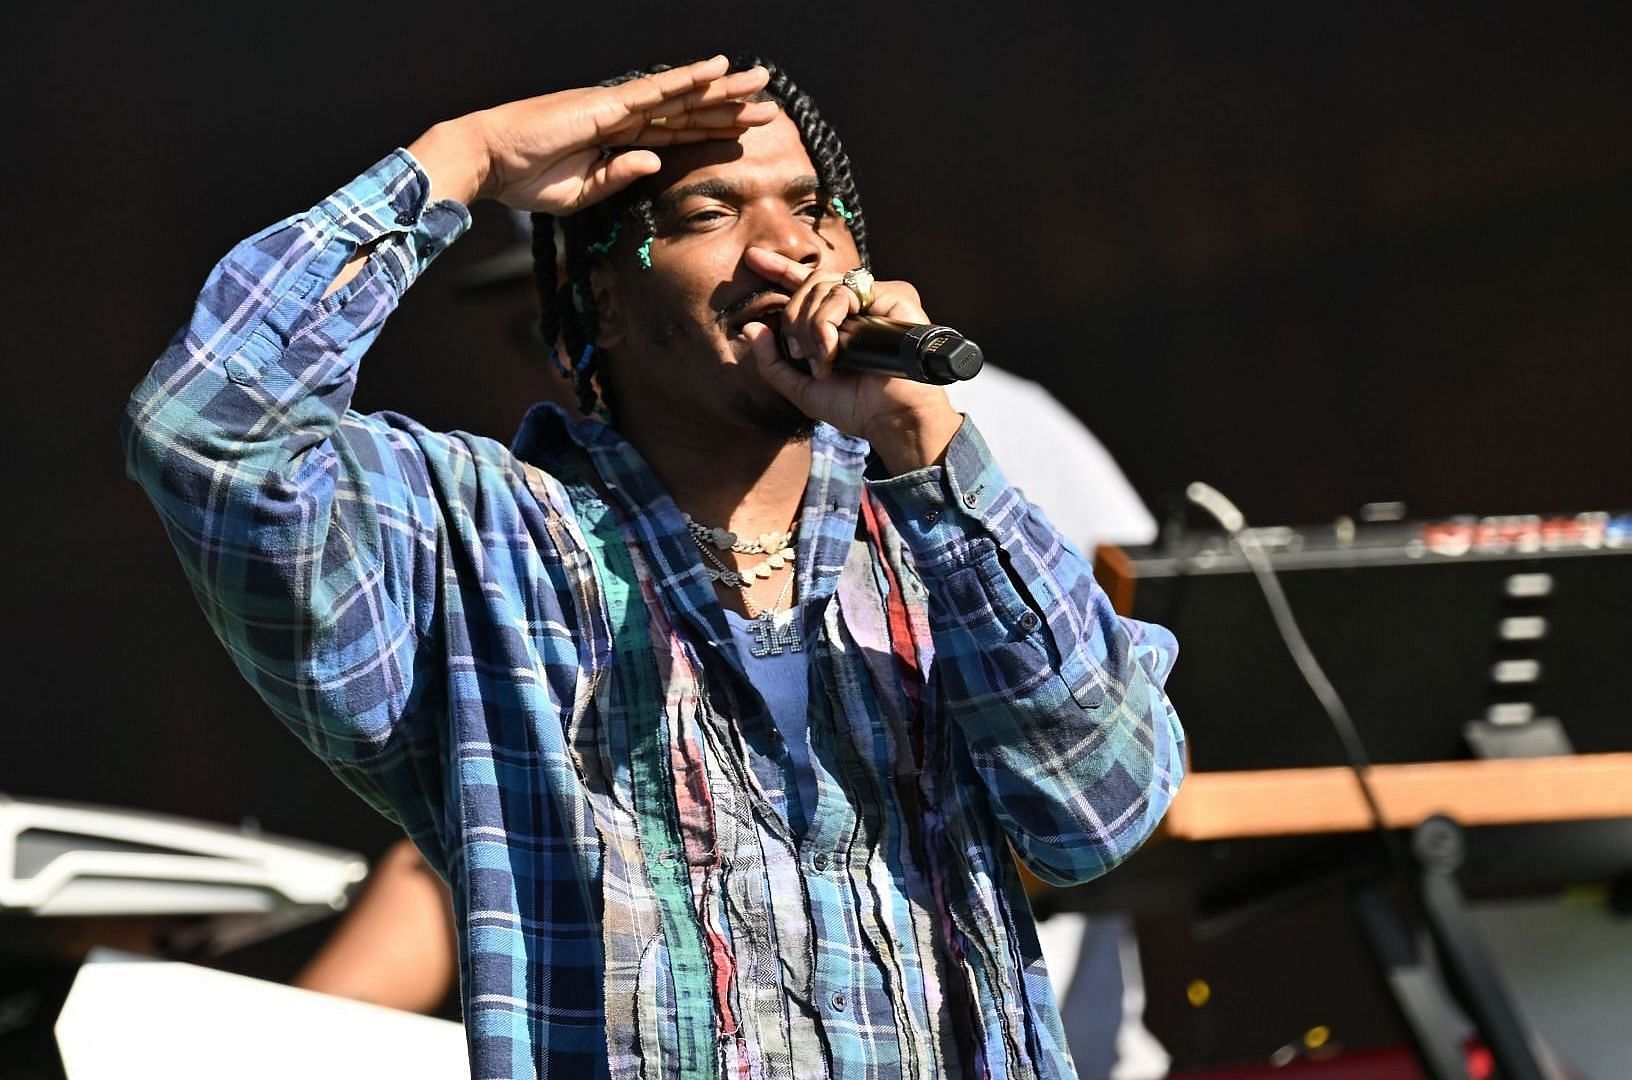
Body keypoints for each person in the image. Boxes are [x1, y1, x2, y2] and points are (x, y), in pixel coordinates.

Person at [124, 55, 1185, 1079]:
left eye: (807, 206)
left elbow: (1102, 811)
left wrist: (928, 450)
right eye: (709, 215)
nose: (784, 250)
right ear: (601, 308)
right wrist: (467, 156)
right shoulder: (479, 544)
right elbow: (209, 432)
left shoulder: (935, 519)